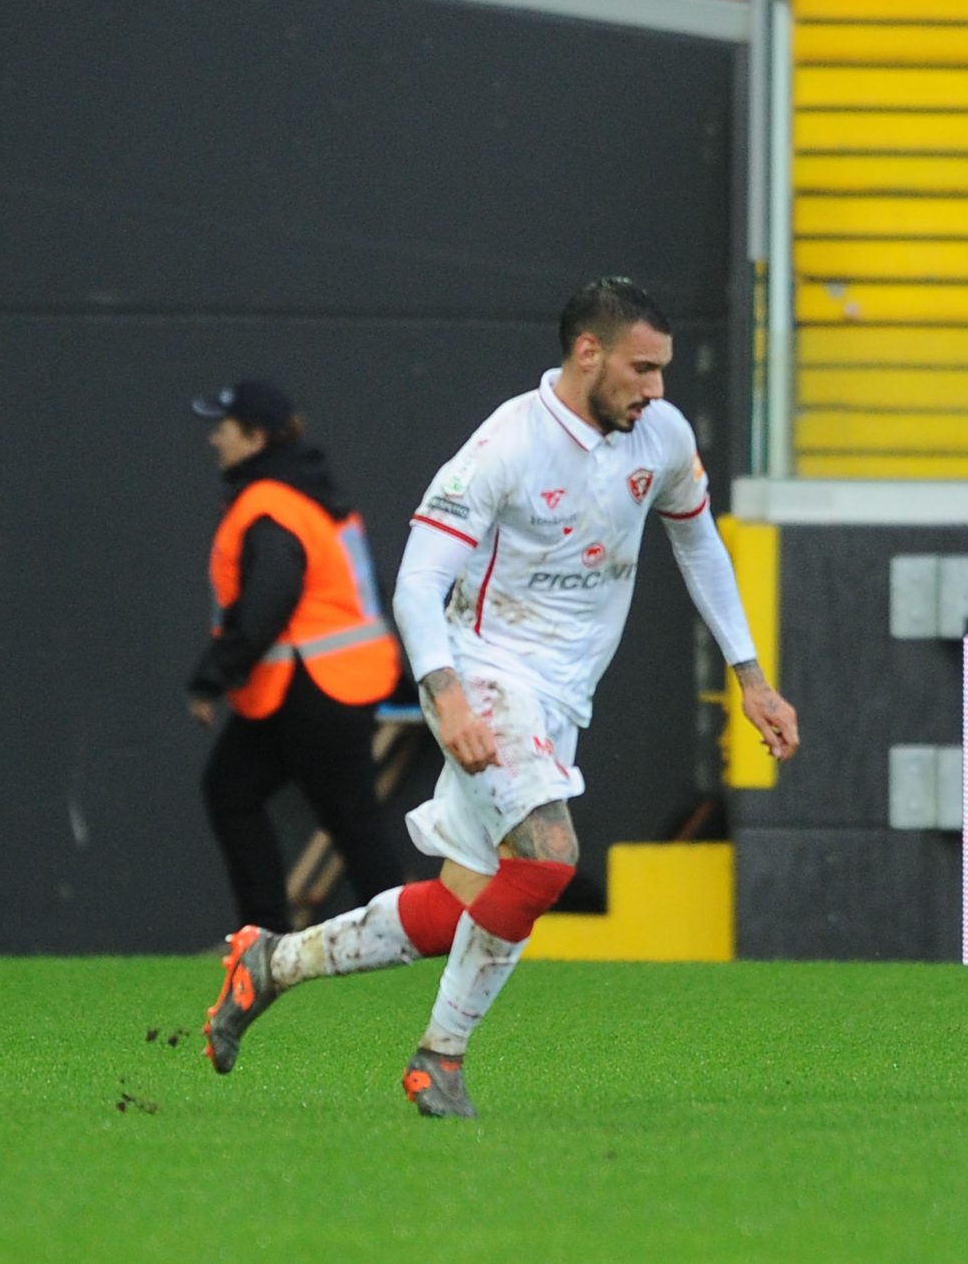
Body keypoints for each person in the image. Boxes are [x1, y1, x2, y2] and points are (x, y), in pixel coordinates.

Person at [202, 277, 801, 1117]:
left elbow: (700, 546)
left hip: (562, 699)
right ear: (588, 353)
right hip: (484, 675)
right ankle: (439, 1058)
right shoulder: (505, 446)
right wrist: (447, 698)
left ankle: (272, 962)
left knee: (462, 908)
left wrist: (753, 678)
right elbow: (417, 584)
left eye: (662, 369)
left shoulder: (661, 436)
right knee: (549, 858)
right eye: (642, 368)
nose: (658, 387)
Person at [189, 379, 406, 934]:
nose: (215, 439)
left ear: (254, 437)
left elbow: (269, 601)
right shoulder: (311, 491)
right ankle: (266, 939)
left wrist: (214, 676)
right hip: (322, 682)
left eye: (224, 428)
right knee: (237, 791)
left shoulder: (270, 505)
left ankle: (400, 938)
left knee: (347, 816)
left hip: (314, 685)